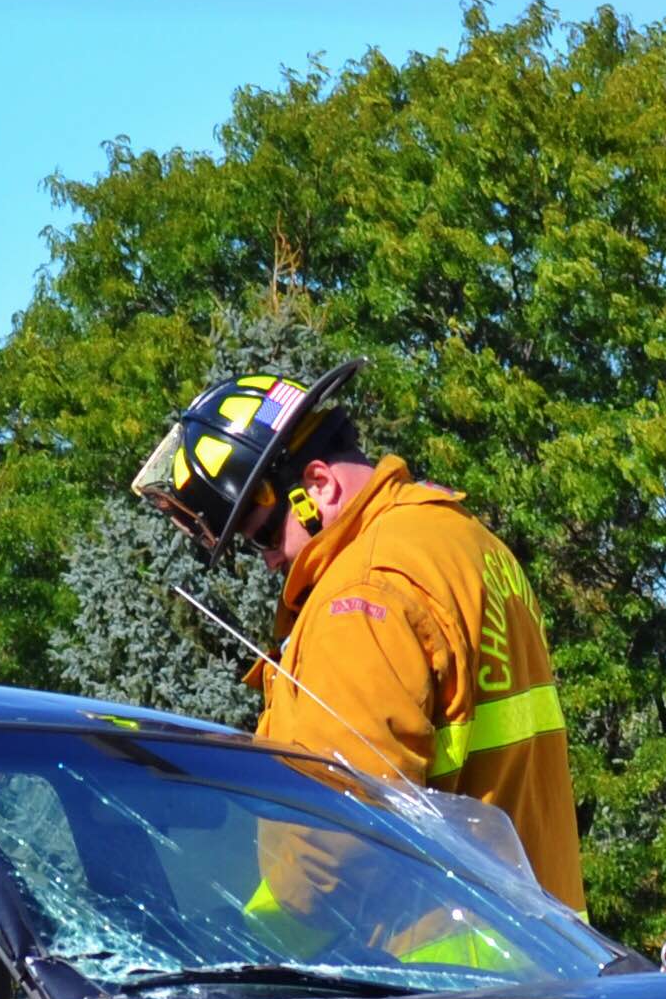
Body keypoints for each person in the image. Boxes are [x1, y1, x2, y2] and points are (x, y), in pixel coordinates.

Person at [132, 362, 585, 912]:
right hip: (548, 938)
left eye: (263, 537)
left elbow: (334, 845)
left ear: (318, 485)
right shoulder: (464, 540)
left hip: (436, 953)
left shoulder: (360, 594)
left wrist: (261, 936)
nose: (270, 561)